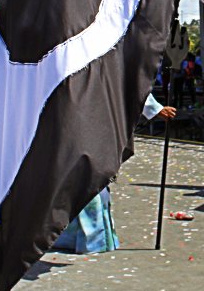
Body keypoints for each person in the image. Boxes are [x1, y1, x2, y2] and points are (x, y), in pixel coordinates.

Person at [54, 93, 175, 254]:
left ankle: (86, 237)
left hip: (87, 116)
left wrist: (153, 108)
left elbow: (124, 80)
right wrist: (154, 109)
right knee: (83, 174)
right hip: (75, 116)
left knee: (88, 174)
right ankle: (84, 237)